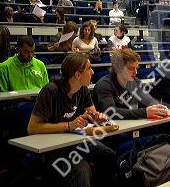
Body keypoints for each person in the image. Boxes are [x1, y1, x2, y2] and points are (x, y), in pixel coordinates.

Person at [27, 53, 117, 187]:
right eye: (89, 68)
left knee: (110, 156)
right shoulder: (51, 91)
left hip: (77, 141)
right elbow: (32, 128)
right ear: (77, 74)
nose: (92, 72)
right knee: (81, 169)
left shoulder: (83, 89)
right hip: (55, 146)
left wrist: (99, 118)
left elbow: (93, 114)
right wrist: (69, 125)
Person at [93, 49, 168, 119]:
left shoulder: (135, 82)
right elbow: (110, 112)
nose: (136, 72)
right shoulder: (104, 85)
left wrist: (159, 108)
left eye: (136, 68)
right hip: (105, 128)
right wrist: (145, 112)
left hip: (125, 125)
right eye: (131, 68)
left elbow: (148, 100)